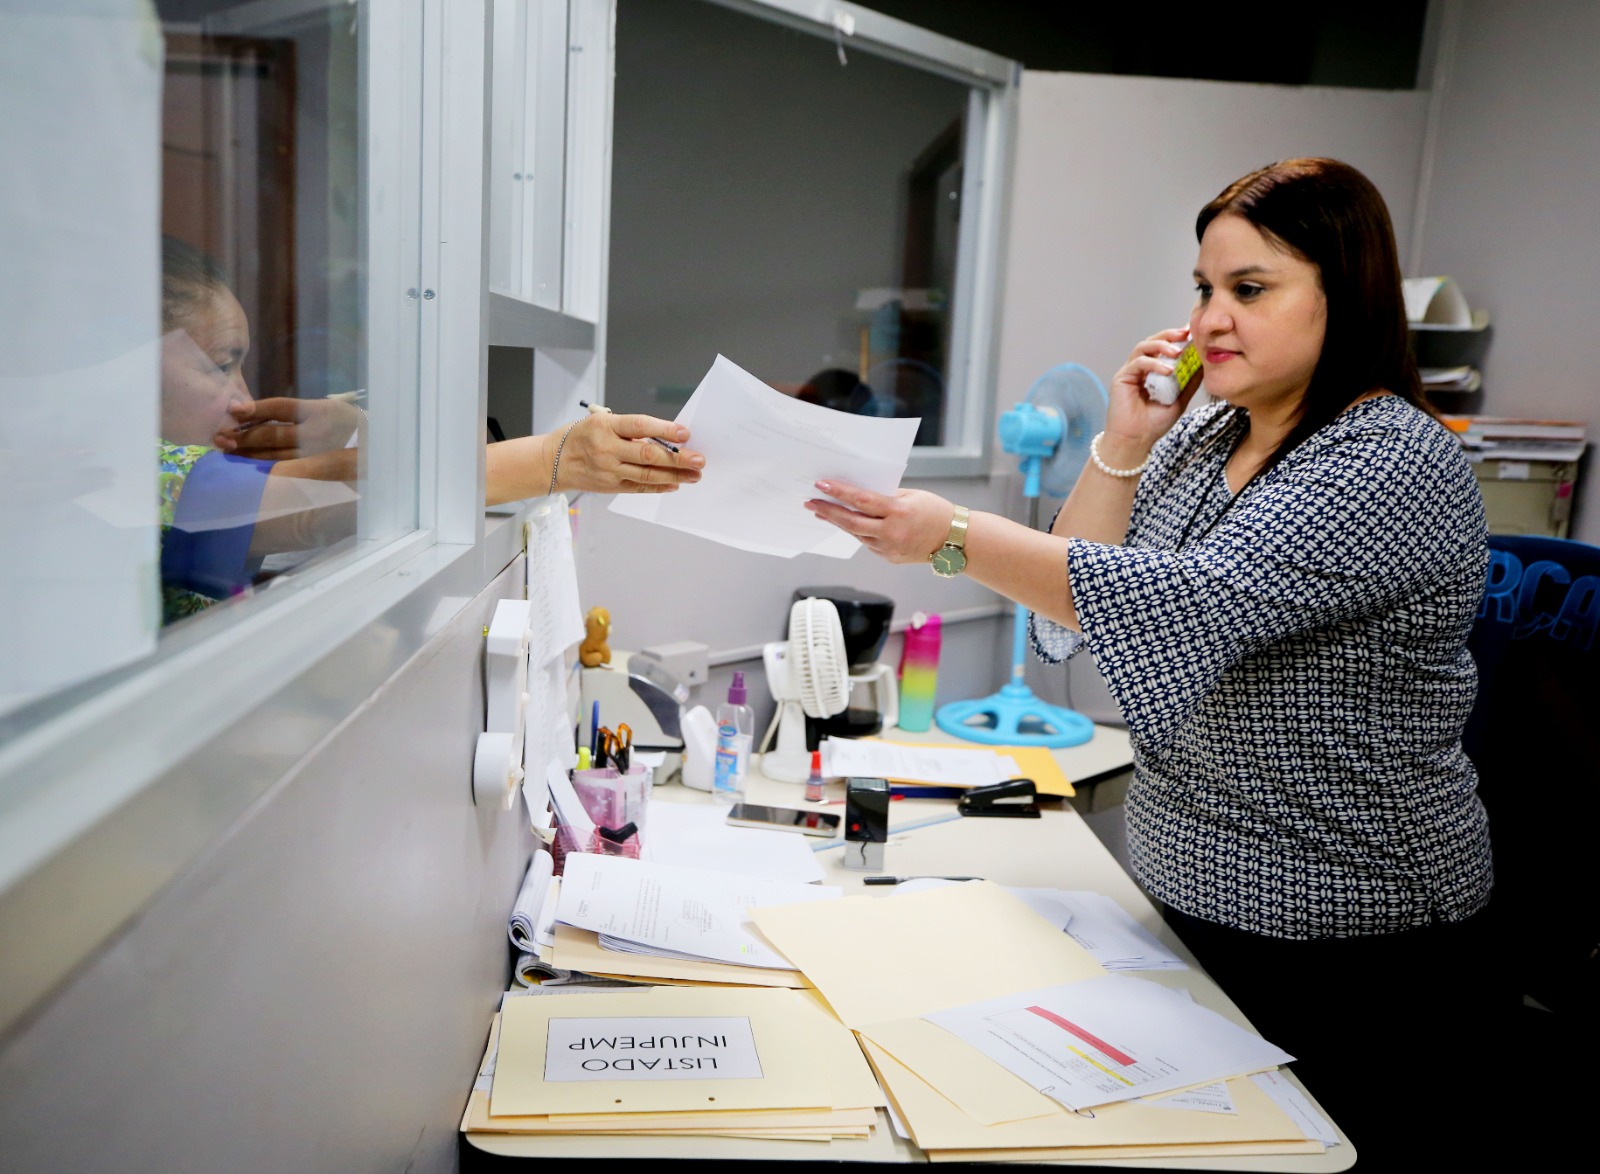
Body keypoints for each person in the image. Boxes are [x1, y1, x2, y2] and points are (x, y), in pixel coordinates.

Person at [805, 159, 1499, 1156]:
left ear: (1343, 292)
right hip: (1183, 903)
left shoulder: (1389, 458)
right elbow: (1062, 625)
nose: (1211, 319)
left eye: (1249, 289)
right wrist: (1126, 441)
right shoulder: (1206, 435)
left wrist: (949, 535)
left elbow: (1180, 606)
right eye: (1203, 288)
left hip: (1346, 927)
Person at [158, 235, 701, 622]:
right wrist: (554, 460)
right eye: (220, 365)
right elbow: (314, 507)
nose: (244, 398)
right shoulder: (148, 480)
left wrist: (354, 432)